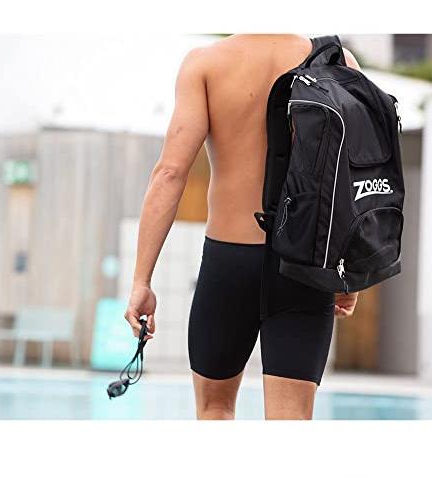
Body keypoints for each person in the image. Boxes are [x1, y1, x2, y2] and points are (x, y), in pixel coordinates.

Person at [124, 34, 360, 420]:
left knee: (214, 410)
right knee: (291, 418)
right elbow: (355, 178)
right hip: (305, 266)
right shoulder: (336, 60)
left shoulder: (206, 64)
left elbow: (169, 173)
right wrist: (350, 274)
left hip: (228, 263)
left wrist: (141, 281)